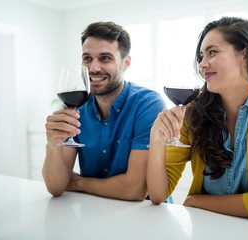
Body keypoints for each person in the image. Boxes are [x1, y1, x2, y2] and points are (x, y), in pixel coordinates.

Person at [146, 16, 248, 221]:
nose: (202, 64)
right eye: (201, 56)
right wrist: (157, 140)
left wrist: (194, 201)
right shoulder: (194, 113)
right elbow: (158, 194)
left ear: (246, 54)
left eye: (212, 52)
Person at [43, 21, 166, 201]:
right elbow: (56, 187)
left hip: (145, 216)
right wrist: (52, 145)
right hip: (93, 212)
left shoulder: (148, 105)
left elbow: (135, 189)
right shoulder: (75, 110)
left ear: (126, 63)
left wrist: (78, 182)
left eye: (105, 58)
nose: (94, 68)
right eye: (87, 58)